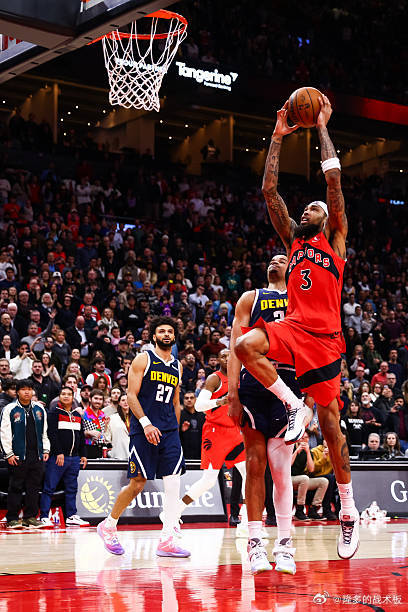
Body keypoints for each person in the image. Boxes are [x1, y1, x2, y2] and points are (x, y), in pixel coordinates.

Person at [234, 95, 359, 559]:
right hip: (292, 328)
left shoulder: (336, 241)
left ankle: (348, 509)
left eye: (313, 209)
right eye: (304, 209)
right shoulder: (293, 241)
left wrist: (321, 124)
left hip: (325, 341)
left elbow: (333, 182)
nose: (306, 211)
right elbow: (269, 191)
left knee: (333, 430)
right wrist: (278, 136)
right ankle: (293, 406)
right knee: (245, 346)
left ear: (327, 219)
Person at [228, 254, 307, 574]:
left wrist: (309, 398)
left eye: (282, 259)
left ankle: (285, 544)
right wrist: (232, 393)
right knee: (254, 464)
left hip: (288, 381)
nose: (275, 262)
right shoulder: (250, 298)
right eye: (271, 260)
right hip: (253, 385)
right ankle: (255, 543)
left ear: (293, 268)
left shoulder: (301, 299)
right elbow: (235, 347)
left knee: (281, 471)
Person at [97, 317, 190, 558]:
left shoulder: (177, 366)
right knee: (138, 483)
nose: (166, 334)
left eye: (170, 331)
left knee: (173, 483)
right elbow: (131, 395)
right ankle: (108, 525)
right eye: (162, 331)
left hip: (169, 432)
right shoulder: (143, 359)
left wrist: (175, 430)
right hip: (144, 429)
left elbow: (176, 401)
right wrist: (146, 424)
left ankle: (167, 539)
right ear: (154, 336)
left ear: (174, 336)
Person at [177, 349, 248, 536]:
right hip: (215, 432)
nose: (227, 358)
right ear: (218, 360)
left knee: (248, 474)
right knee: (208, 480)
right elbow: (199, 406)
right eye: (223, 356)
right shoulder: (214, 379)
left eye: (230, 355)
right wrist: (220, 402)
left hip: (234, 432)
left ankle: (247, 523)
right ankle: (174, 511)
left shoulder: (239, 378)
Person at [0, 379, 50, 528]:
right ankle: (12, 518)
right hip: (17, 454)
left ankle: (30, 517)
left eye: (29, 389)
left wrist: (45, 449)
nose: (27, 392)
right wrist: (8, 453)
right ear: (17, 392)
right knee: (15, 486)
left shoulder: (39, 409)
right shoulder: (10, 409)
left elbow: (44, 432)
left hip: (36, 454)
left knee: (33, 487)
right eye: (23, 389)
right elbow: (4, 432)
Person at [39, 386, 89, 527]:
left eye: (69, 394)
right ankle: (44, 516)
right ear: (59, 397)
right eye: (63, 394)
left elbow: (81, 436)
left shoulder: (77, 415)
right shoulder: (54, 413)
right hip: (58, 458)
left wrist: (83, 455)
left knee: (72, 488)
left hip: (74, 459)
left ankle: (71, 516)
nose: (66, 396)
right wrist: (58, 452)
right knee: (49, 487)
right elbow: (52, 435)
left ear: (73, 398)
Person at [291, 432, 328, 521]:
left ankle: (313, 509)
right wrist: (296, 452)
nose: (304, 440)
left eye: (306, 438)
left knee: (323, 481)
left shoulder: (309, 451)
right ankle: (299, 510)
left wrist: (308, 453)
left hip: (301, 480)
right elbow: (288, 465)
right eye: (302, 438)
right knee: (304, 478)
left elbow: (311, 469)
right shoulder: (291, 448)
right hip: (288, 478)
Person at [178, 391, 205, 460]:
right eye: (186, 398)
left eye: (191, 398)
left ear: (195, 400)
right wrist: (181, 430)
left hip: (200, 453)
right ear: (183, 400)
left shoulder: (202, 416)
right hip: (184, 454)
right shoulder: (179, 415)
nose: (189, 400)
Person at [82, 389, 108, 459]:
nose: (98, 401)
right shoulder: (83, 413)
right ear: (90, 399)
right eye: (96, 398)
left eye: (100, 399)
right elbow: (78, 432)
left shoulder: (102, 414)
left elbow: (103, 431)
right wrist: (88, 432)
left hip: (100, 448)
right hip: (87, 447)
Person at [105, 394, 131, 460]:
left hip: (133, 453)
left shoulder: (135, 418)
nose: (126, 402)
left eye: (128, 400)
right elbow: (107, 437)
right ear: (119, 403)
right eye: (123, 400)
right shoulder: (112, 418)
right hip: (118, 453)